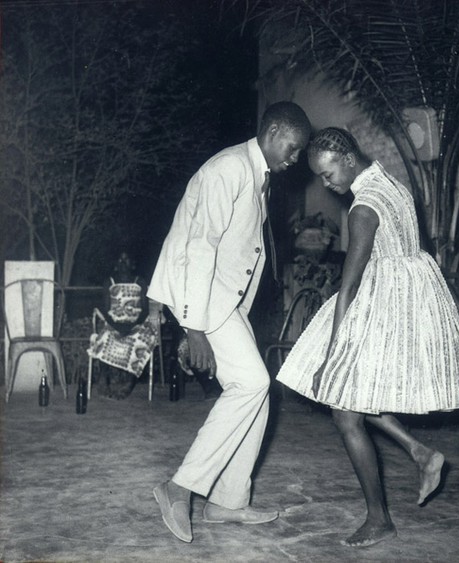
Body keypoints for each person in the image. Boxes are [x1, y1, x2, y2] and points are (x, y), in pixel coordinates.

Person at [276, 127, 459, 548]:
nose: (326, 184)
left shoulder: (363, 207)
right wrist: (453, 305)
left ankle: (379, 518)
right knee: (355, 400)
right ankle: (420, 453)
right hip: (410, 299)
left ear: (349, 159)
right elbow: (421, 252)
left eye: (328, 174)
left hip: (382, 307)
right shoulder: (394, 185)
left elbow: (348, 286)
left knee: (344, 412)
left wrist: (331, 356)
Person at [147, 101, 311, 543]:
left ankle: (228, 502)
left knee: (256, 391)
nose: (295, 159)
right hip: (205, 300)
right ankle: (178, 487)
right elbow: (199, 246)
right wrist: (193, 327)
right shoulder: (230, 168)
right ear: (273, 132)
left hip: (225, 301)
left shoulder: (255, 174)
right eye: (293, 148)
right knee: (253, 383)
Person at [88, 251, 158, 399]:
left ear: (133, 264)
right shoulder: (109, 282)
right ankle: (103, 379)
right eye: (120, 260)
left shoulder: (139, 282)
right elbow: (106, 309)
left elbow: (145, 309)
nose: (123, 263)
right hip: (114, 323)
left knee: (140, 340)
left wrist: (134, 325)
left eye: (126, 260)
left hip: (137, 324)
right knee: (105, 337)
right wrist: (116, 326)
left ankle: (129, 382)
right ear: (115, 265)